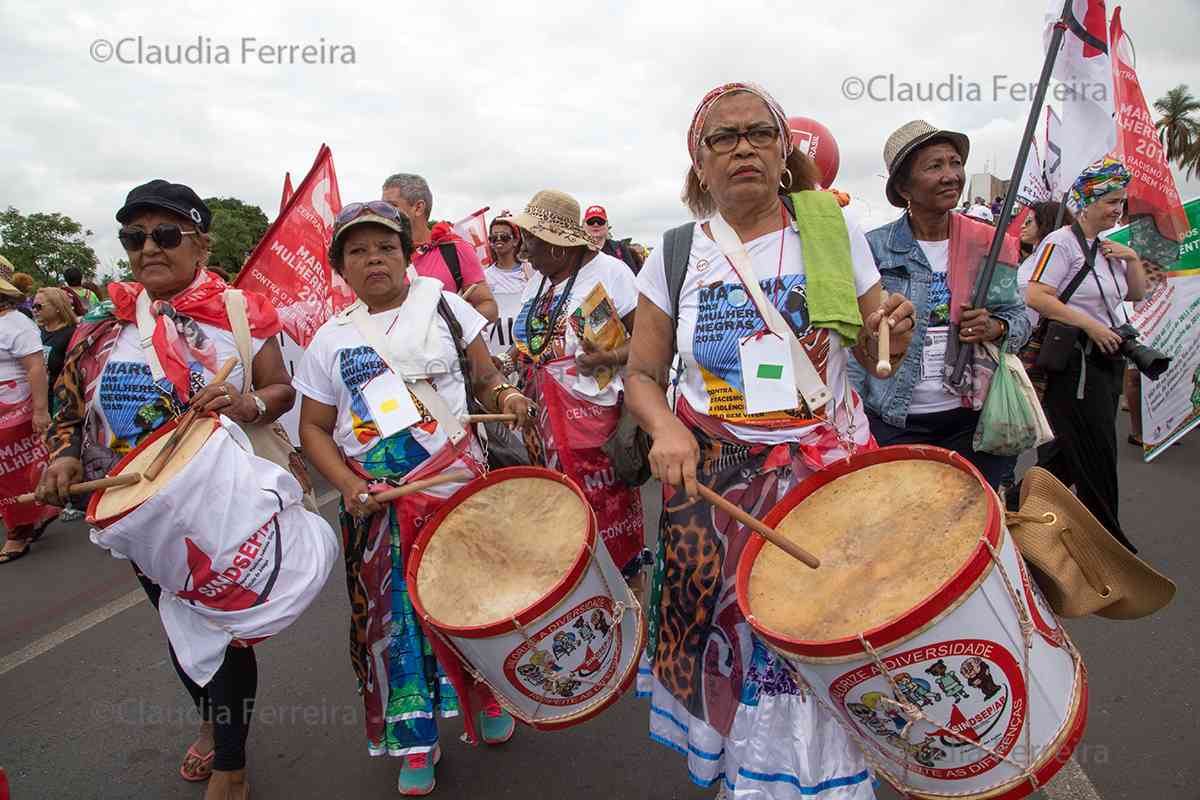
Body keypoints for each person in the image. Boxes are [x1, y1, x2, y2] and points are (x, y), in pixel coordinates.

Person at [624, 82, 915, 799]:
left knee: (820, 637)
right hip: (716, 486)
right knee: (736, 643)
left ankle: (825, 780)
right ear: (699, 161)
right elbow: (640, 373)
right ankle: (747, 776)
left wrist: (895, 330)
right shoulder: (674, 252)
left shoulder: (827, 229)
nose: (743, 147)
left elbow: (882, 342)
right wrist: (664, 427)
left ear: (785, 151)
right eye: (724, 137)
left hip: (822, 478)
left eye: (759, 133)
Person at [35, 179, 297, 800]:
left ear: (200, 243)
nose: (148, 247)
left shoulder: (240, 310)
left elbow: (281, 389)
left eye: (165, 234)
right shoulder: (102, 326)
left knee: (222, 626)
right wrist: (64, 461)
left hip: (224, 506)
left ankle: (232, 761)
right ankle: (212, 717)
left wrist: (243, 403)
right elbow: (72, 415)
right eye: (134, 237)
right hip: (136, 509)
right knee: (178, 623)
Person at [294, 201, 532, 796]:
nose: (373, 258)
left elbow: (485, 378)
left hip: (455, 487)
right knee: (395, 625)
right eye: (357, 251)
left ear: (407, 256)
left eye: (385, 247)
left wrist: (505, 395)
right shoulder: (329, 338)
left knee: (472, 604)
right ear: (341, 268)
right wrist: (349, 486)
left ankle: (488, 699)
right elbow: (314, 429)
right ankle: (416, 741)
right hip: (380, 504)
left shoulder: (446, 308)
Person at [852, 120, 1031, 490]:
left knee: (973, 530)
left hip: (972, 422)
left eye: (955, 163)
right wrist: (854, 417)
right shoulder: (872, 249)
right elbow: (854, 345)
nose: (951, 175)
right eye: (935, 166)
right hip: (895, 422)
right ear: (904, 187)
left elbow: (1020, 317)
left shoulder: (988, 245)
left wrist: (996, 327)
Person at [499, 190, 646, 575]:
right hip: (541, 426)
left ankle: (624, 601)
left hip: (595, 426)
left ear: (559, 248)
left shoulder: (612, 273)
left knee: (606, 524)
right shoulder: (538, 282)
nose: (524, 249)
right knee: (561, 519)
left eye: (531, 241)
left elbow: (648, 344)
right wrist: (512, 359)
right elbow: (532, 339)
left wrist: (606, 358)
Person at [1026, 157, 1148, 553]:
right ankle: (1111, 544)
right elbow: (1036, 295)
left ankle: (1019, 508)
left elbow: (1135, 294)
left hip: (1106, 362)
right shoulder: (1060, 243)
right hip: (1077, 363)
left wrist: (1130, 260)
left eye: (1121, 202)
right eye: (1111, 201)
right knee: (1097, 451)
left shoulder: (1107, 247)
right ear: (1088, 200)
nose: (1118, 209)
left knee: (1068, 453)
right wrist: (1091, 325)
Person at [381, 172, 500, 323]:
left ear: (418, 208)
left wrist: (450, 324)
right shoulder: (380, 257)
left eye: (391, 207)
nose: (383, 214)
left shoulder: (455, 250)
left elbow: (489, 307)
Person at [0, 275, 57, 564]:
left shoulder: (14, 323)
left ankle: (18, 532)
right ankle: (37, 512)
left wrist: (40, 410)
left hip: (14, 413)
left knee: (11, 473)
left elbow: (36, 367)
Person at [482, 212, 532, 355]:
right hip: (496, 352)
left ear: (515, 241)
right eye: (493, 237)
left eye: (504, 236)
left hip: (526, 350)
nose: (499, 240)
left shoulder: (531, 272)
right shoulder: (484, 277)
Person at [32, 287, 78, 411]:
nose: (34, 310)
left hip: (61, 403)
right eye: (33, 306)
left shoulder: (73, 334)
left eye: (39, 306)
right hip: (39, 399)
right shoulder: (36, 332)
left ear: (58, 307)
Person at [583, 204, 643, 272]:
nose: (595, 224)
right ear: (584, 225)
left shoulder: (620, 249)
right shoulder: (576, 251)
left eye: (600, 221)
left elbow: (632, 276)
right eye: (591, 221)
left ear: (607, 224)